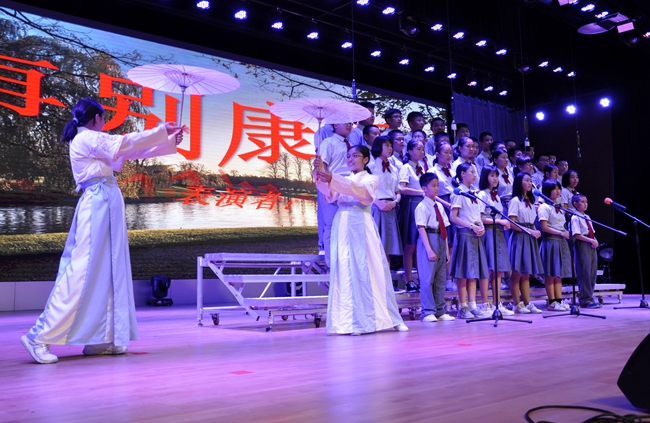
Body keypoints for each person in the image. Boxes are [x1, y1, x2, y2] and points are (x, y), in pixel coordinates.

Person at [20, 98, 185, 364]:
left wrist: (167, 142)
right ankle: (38, 336)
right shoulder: (87, 138)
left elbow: (131, 152)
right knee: (82, 269)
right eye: (104, 118)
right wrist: (161, 131)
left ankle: (98, 338)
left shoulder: (92, 141)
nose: (105, 123)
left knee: (108, 269)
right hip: (97, 204)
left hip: (105, 204)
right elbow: (125, 143)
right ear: (96, 118)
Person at [314, 146, 409, 335]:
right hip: (342, 223)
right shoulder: (343, 178)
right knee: (345, 268)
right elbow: (329, 193)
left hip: (360, 223)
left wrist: (332, 177)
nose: (350, 159)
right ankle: (349, 322)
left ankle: (386, 318)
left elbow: (361, 192)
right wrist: (319, 172)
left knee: (368, 267)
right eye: (348, 156)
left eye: (355, 156)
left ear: (366, 159)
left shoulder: (371, 179)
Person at [449, 163, 490, 319]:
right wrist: (471, 226)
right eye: (471, 172)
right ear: (462, 173)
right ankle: (463, 306)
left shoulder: (474, 193)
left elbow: (478, 215)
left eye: (475, 172)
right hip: (465, 235)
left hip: (475, 235)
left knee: (473, 273)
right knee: (463, 273)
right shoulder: (458, 193)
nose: (474, 175)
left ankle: (472, 305)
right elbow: (453, 217)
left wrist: (481, 226)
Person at [415, 173, 455, 322]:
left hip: (440, 238)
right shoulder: (421, 207)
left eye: (438, 185)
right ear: (424, 188)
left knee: (440, 278)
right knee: (427, 278)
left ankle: (440, 310)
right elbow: (421, 228)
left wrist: (446, 249)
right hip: (429, 238)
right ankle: (427, 311)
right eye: (433, 185)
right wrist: (429, 249)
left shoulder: (439, 206)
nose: (437, 188)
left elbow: (444, 227)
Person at [477, 166, 514, 316]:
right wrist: (498, 222)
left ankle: (497, 304)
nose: (495, 179)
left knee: (498, 270)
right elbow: (479, 218)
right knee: (488, 269)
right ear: (485, 177)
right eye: (492, 175)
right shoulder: (482, 194)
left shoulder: (496, 196)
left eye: (496, 176)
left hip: (498, 233)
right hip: (488, 233)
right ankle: (485, 304)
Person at [369, 136, 403, 291]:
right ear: (378, 147)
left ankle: (387, 285)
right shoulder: (371, 166)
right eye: (386, 145)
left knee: (388, 249)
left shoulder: (393, 168)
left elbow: (398, 191)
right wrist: (378, 203)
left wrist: (395, 202)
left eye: (391, 145)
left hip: (391, 208)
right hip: (377, 207)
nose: (390, 148)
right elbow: (367, 189)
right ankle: (377, 285)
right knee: (378, 247)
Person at [508, 172, 544, 314]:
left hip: (529, 237)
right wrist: (529, 231)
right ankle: (516, 303)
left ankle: (527, 303)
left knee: (526, 273)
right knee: (517, 273)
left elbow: (531, 222)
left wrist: (535, 230)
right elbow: (512, 223)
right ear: (519, 182)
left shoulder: (530, 201)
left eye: (530, 181)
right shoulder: (515, 201)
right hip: (519, 237)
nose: (530, 183)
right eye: (527, 180)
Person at [317, 122, 353, 266]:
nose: (349, 125)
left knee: (347, 225)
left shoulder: (351, 145)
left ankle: (345, 263)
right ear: (336, 125)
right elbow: (322, 167)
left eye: (351, 123)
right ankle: (331, 264)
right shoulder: (328, 142)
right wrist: (328, 188)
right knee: (331, 225)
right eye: (346, 122)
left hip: (348, 187)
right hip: (332, 186)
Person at [538, 180, 572, 311]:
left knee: (559, 274)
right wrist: (560, 233)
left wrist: (565, 232)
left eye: (559, 188)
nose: (558, 191)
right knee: (551, 273)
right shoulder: (544, 207)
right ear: (548, 191)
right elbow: (544, 227)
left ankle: (559, 300)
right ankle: (552, 301)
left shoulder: (559, 207)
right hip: (551, 241)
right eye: (555, 189)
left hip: (561, 241)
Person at [398, 139, 426, 293]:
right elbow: (402, 188)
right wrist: (421, 192)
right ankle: (408, 280)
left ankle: (421, 279)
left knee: (420, 245)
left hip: (422, 205)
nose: (422, 151)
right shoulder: (406, 168)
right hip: (411, 204)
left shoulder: (422, 167)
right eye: (418, 149)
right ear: (409, 151)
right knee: (410, 245)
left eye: (423, 149)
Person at [570, 194, 602, 309]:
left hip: (590, 243)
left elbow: (591, 231)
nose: (585, 204)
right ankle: (584, 299)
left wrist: (595, 240)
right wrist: (590, 240)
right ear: (575, 204)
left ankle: (590, 297)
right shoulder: (575, 217)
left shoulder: (587, 216)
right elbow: (576, 234)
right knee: (584, 271)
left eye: (586, 202)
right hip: (582, 243)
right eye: (582, 202)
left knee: (592, 272)